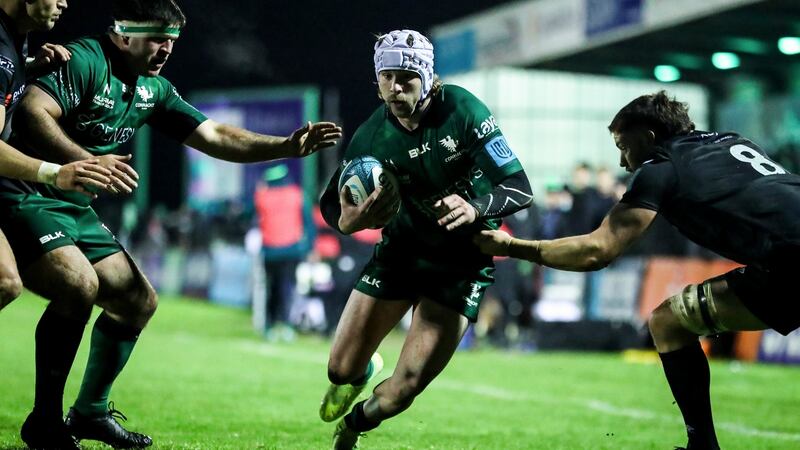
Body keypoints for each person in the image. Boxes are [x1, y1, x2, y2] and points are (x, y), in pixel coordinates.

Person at [0, 0, 342, 448]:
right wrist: (84, 162)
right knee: (78, 284)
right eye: (157, 39)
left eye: (172, 41)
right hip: (27, 191)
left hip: (73, 204)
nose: (166, 50)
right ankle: (45, 421)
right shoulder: (86, 59)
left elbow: (215, 135)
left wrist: (285, 146)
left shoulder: (154, 90)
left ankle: (90, 413)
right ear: (124, 35)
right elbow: (32, 112)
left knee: (137, 300)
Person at [475, 90, 800, 450]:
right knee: (669, 322)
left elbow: (597, 250)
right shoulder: (731, 140)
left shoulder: (661, 168)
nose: (623, 162)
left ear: (648, 138)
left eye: (623, 147)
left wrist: (512, 247)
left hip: (790, 262)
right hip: (779, 264)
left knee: (669, 323)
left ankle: (703, 446)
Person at [318, 29, 533, 449]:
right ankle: (360, 372)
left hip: (460, 264)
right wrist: (348, 221)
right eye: (386, 77)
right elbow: (331, 203)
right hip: (400, 254)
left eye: (406, 78)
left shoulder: (463, 110)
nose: (395, 88)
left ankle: (355, 424)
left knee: (403, 390)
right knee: (339, 370)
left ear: (428, 77)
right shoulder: (371, 136)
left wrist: (476, 207)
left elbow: (520, 187)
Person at [0, 0, 117, 312]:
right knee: (5, 281)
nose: (65, 3)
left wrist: (28, 67)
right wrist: (55, 173)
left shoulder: (14, 35)